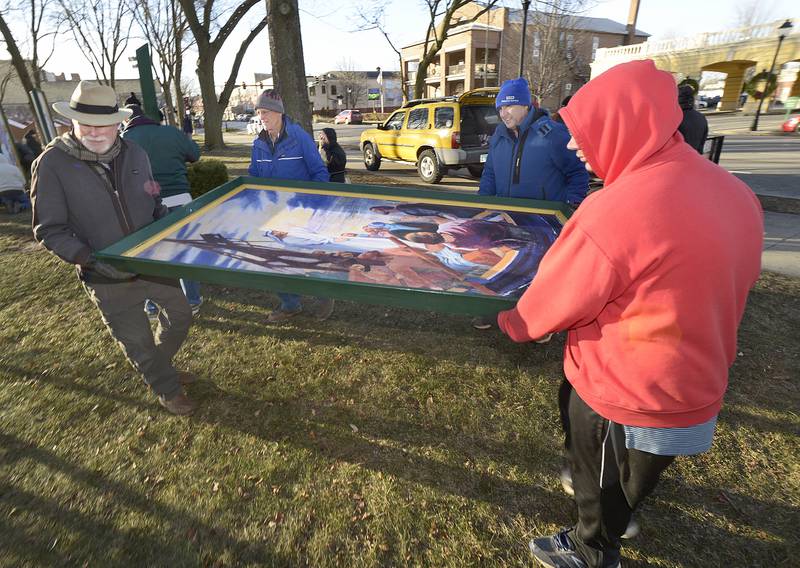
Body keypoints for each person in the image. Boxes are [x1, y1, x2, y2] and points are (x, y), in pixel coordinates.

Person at [494, 60, 763, 568]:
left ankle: (593, 546)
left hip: (622, 389)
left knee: (602, 477)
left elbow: (555, 301)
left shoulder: (615, 210)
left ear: (621, 128)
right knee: (634, 475)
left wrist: (513, 323)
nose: (575, 147)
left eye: (586, 134)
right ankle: (618, 511)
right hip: (696, 379)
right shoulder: (735, 192)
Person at [31, 81, 199, 415]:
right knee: (136, 340)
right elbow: (49, 229)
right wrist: (88, 260)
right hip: (104, 273)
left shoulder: (135, 152)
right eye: (85, 125)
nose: (94, 133)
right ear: (73, 123)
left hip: (150, 261)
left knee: (180, 317)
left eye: (102, 125)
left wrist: (170, 227)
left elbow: (153, 197)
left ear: (116, 123)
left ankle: (158, 365)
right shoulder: (51, 164)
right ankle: (165, 386)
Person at [247, 89, 333, 322]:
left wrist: (314, 206)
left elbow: (319, 172)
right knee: (273, 260)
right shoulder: (259, 143)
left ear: (278, 113)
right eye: (259, 112)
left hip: (301, 211)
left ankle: (324, 294)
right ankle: (290, 304)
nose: (261, 117)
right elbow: (253, 177)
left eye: (265, 112)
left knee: (303, 256)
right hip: (272, 214)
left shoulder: (298, 137)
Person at [121, 103, 203, 316]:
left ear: (126, 120)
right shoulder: (170, 132)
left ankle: (152, 304)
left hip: (144, 206)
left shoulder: (123, 141)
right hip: (180, 199)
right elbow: (194, 154)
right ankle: (192, 299)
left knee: (149, 255)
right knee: (185, 250)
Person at [479, 77, 588, 206]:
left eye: (509, 106)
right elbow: (489, 175)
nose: (503, 114)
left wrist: (571, 204)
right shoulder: (499, 136)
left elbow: (577, 172)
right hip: (506, 218)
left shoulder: (552, 134)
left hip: (544, 221)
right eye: (500, 108)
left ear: (525, 105)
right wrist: (481, 205)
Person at [677, 85, 709, 154]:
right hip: (694, 156)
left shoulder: (675, 117)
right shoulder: (701, 117)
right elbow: (702, 141)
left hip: (676, 159)